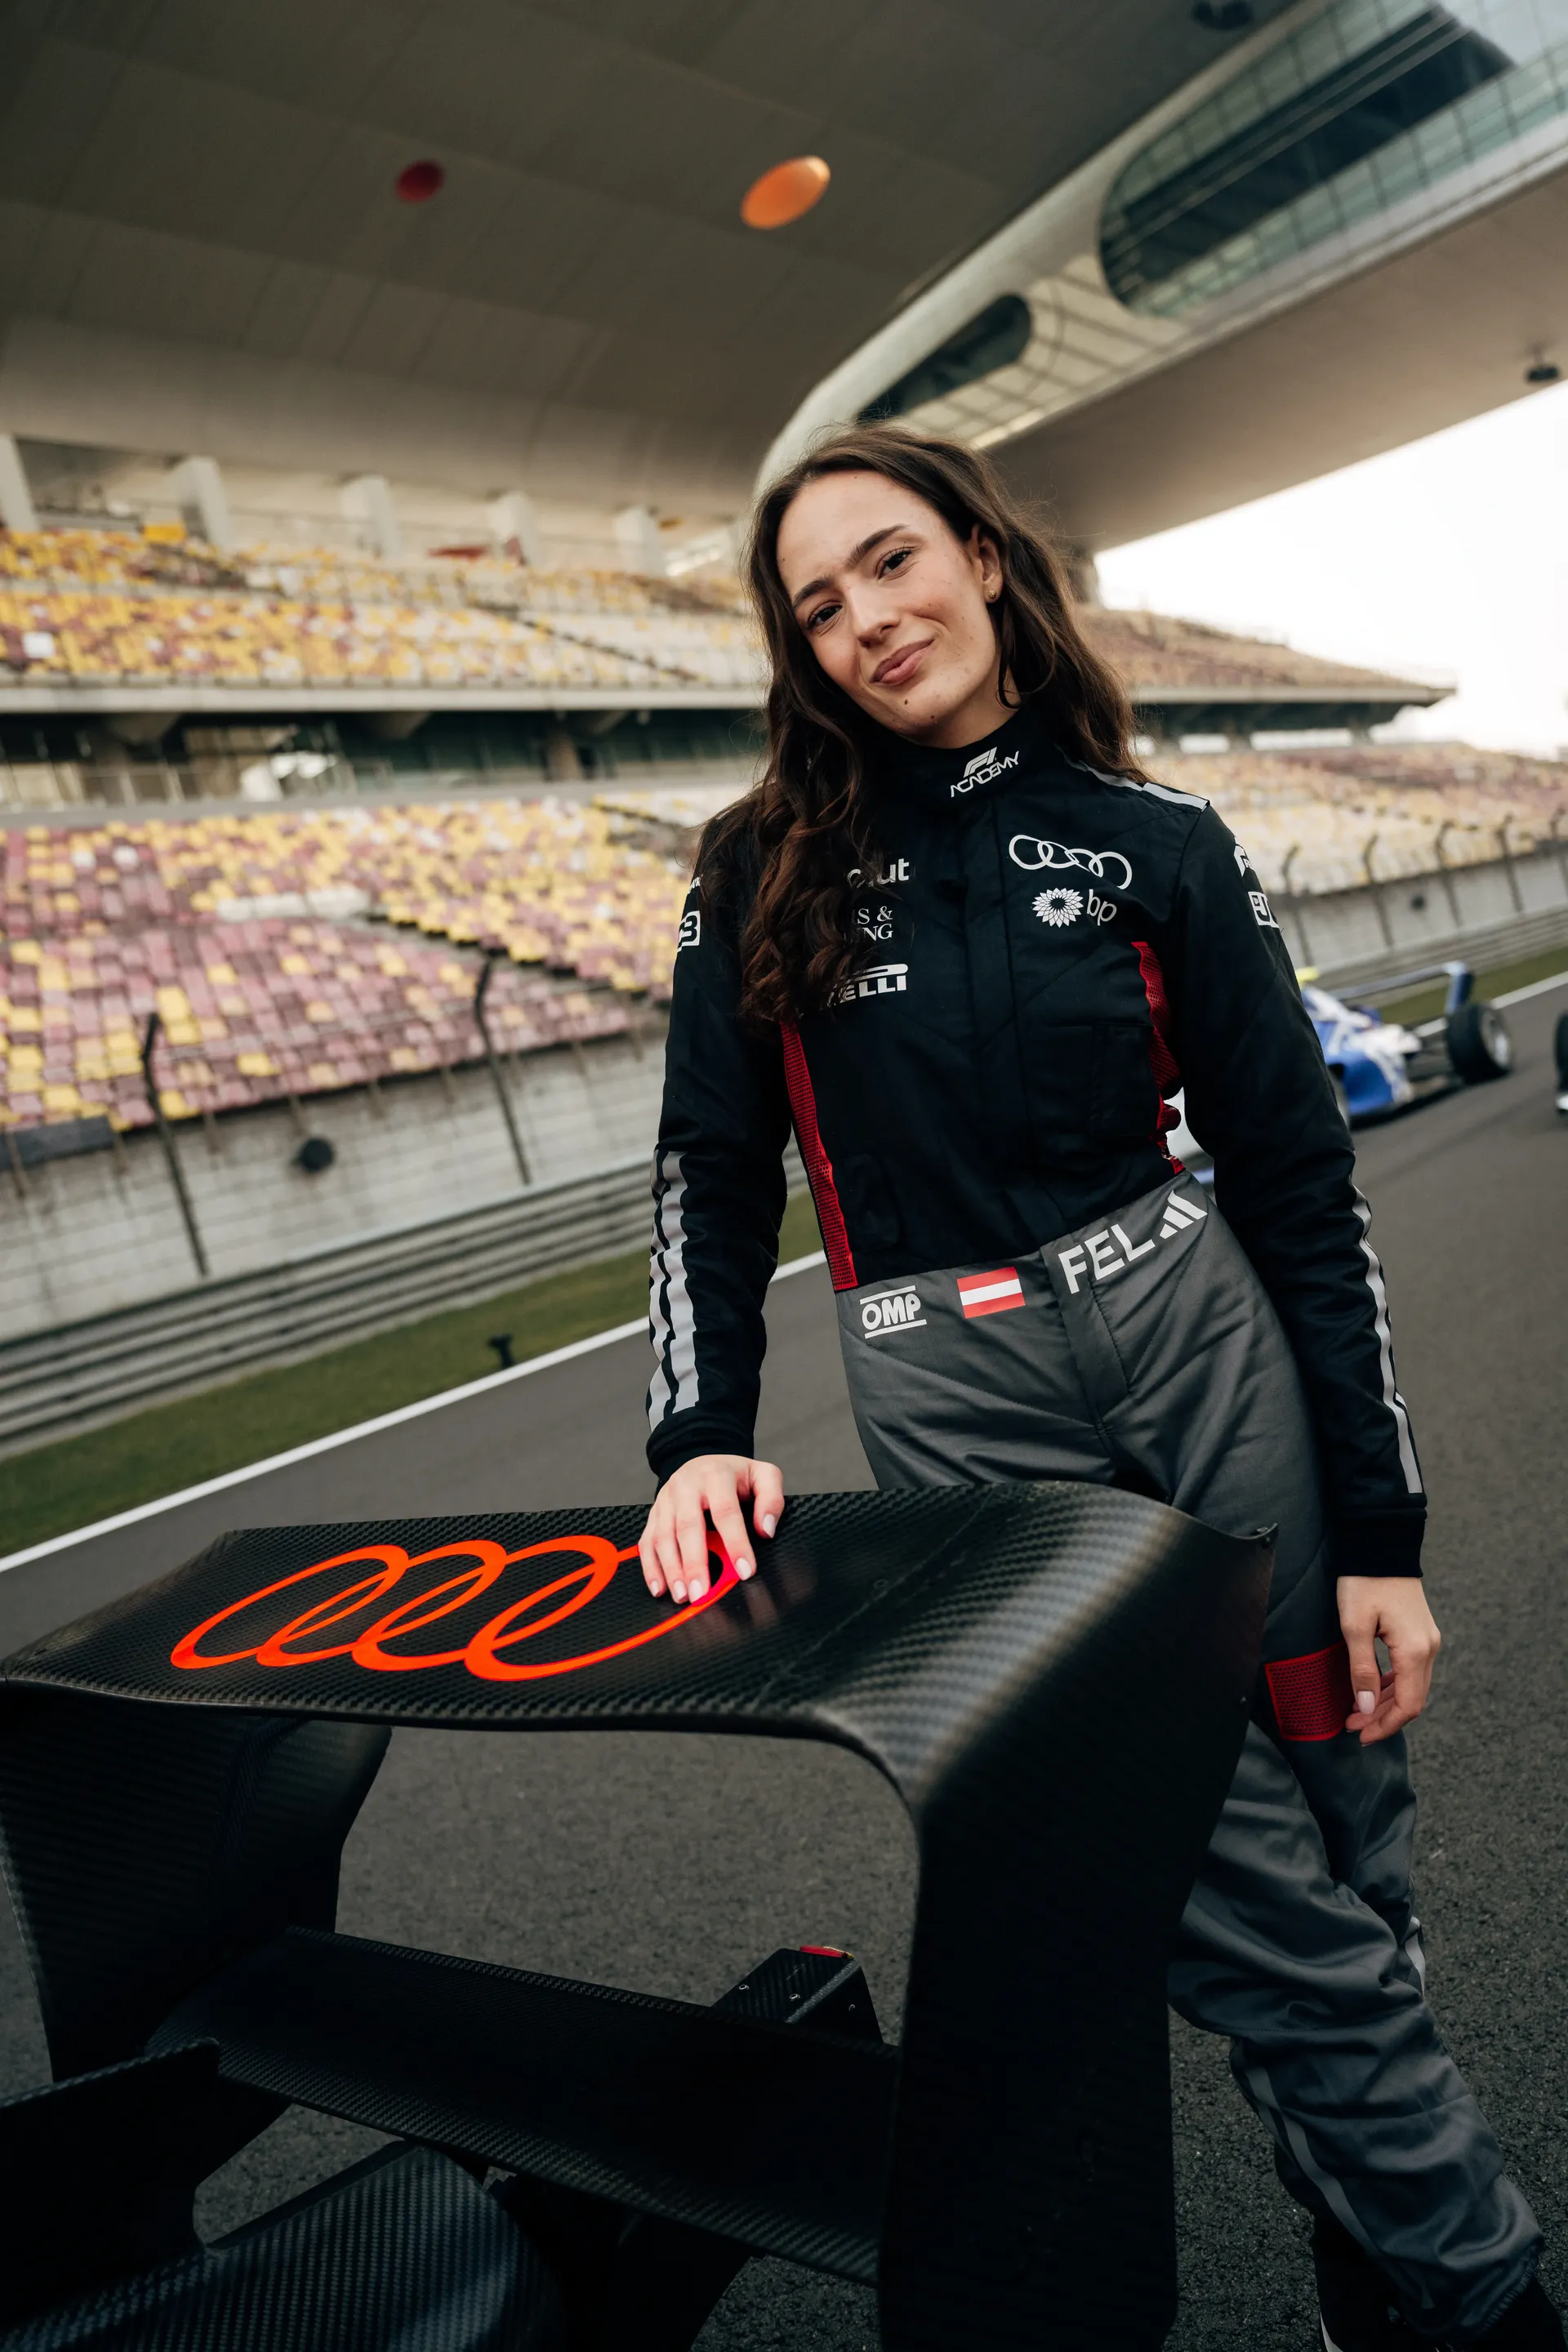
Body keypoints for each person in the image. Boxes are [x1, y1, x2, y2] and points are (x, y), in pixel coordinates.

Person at [637, 422, 1559, 2352]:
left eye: (892, 562)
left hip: (1195, 1326)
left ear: (980, 555)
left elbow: (1304, 1187)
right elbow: (705, 1177)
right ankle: (1480, 2290)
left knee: (1350, 1828)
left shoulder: (1162, 846)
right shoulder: (752, 873)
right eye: (818, 607)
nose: (868, 620)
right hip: (959, 1402)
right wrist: (699, 1434)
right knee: (1235, 1881)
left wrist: (1381, 1530)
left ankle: (1374, 2266)